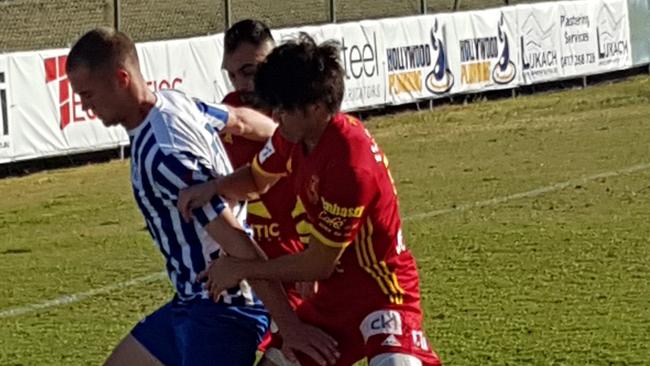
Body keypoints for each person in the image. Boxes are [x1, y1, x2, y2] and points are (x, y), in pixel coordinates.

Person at [66, 27, 338, 366]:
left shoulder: (166, 155)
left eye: (88, 95)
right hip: (192, 300)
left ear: (121, 78)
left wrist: (290, 328)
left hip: (220, 310)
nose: (85, 106)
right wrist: (292, 143)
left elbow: (239, 244)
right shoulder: (174, 104)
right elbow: (239, 121)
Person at [178, 34, 442, 366]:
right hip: (332, 297)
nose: (275, 115)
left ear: (315, 108)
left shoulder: (351, 165)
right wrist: (215, 187)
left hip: (382, 293)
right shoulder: (293, 136)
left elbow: (319, 263)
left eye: (284, 108)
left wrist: (241, 268)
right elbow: (257, 179)